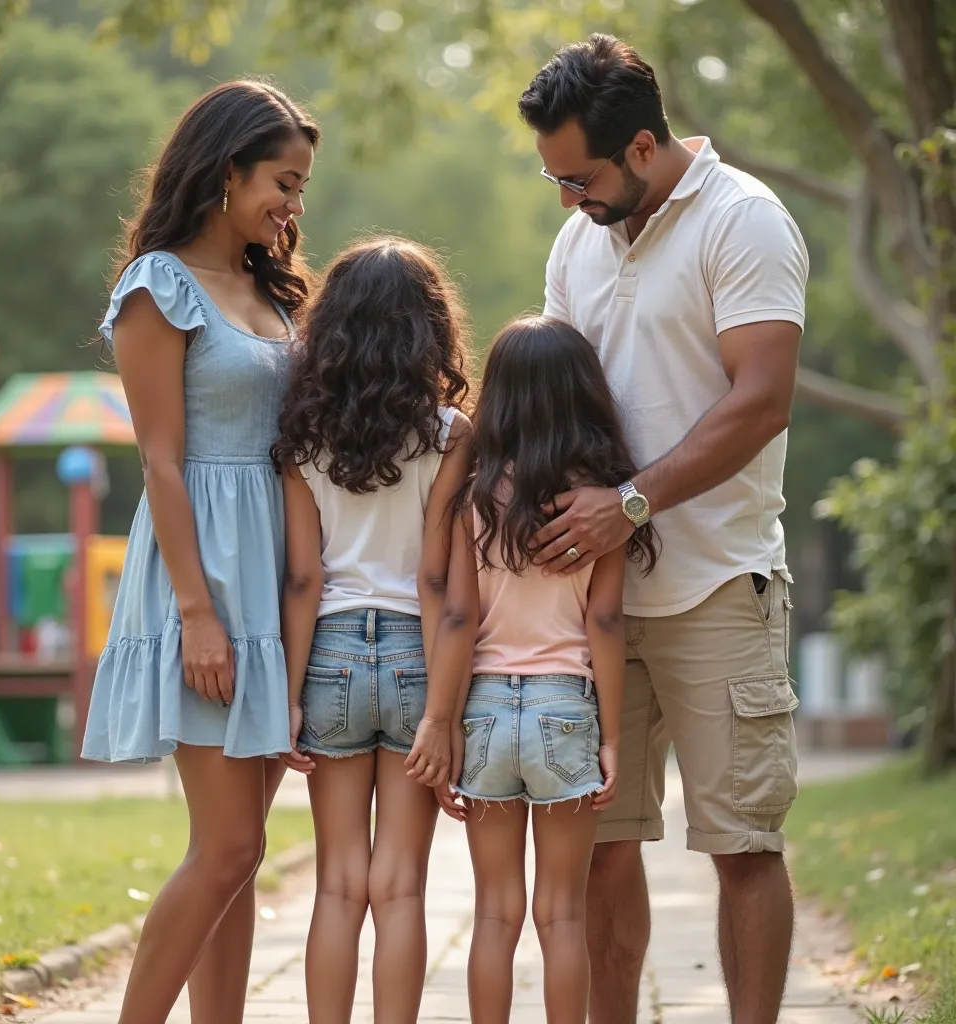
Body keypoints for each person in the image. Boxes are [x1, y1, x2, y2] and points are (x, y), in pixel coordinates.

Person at [517, 34, 809, 1024]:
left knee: (741, 846)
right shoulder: (576, 244)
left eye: (580, 177)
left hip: (717, 585)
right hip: (594, 604)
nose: (568, 201)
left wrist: (630, 502)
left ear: (642, 147)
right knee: (601, 846)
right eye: (555, 179)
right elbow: (556, 405)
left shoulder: (744, 221)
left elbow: (761, 398)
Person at [81, 81, 319, 1024]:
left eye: (301, 188)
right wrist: (197, 614)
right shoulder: (158, 287)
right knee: (225, 846)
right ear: (227, 171)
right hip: (203, 578)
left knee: (245, 849)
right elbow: (162, 462)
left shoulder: (270, 289)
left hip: (270, 573)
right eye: (281, 182)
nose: (293, 206)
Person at [410, 316, 658, 1024]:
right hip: (565, 711)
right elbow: (604, 623)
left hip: (485, 712)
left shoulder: (476, 497)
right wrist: (612, 735)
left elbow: (457, 618)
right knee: (562, 916)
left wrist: (444, 721)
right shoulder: (602, 504)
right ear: (584, 394)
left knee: (494, 914)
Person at [274, 237, 472, 1024]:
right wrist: (443, 712)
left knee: (336, 882)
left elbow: (302, 579)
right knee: (401, 885)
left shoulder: (299, 437)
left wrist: (287, 697)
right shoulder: (451, 435)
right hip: (415, 659)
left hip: (327, 660)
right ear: (428, 330)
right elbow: (437, 580)